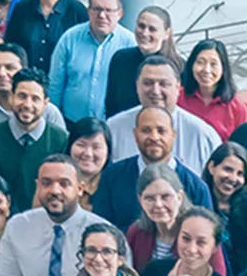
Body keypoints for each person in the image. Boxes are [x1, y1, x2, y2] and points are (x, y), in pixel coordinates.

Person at [95, 105, 211, 233]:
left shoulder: (195, 187)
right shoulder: (111, 177)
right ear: (135, 134)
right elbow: (100, 230)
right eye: (146, 130)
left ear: (173, 135)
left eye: (161, 131)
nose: (154, 137)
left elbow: (208, 240)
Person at [106, 54, 221, 174]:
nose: (155, 91)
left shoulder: (203, 135)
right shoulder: (113, 128)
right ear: (137, 86)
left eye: (164, 84)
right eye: (148, 83)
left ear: (178, 87)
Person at [0, 67, 68, 206]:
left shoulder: (61, 140)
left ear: (45, 103)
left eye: (35, 99)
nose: (27, 104)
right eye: (22, 96)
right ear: (12, 97)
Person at [48, 0, 134, 122]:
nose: (102, 15)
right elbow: (55, 87)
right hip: (72, 125)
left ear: (120, 14)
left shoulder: (130, 44)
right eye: (97, 9)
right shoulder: (69, 39)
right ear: (88, 11)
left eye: (108, 10)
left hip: (113, 126)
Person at [4, 0, 88, 76]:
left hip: (63, 83)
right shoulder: (22, 8)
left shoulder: (76, 10)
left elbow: (85, 51)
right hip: (27, 85)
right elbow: (11, 47)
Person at [105, 5, 182, 118]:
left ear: (166, 33)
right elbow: (111, 105)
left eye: (152, 29)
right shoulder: (120, 59)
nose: (145, 33)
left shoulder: (180, 67)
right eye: (141, 26)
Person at [177, 39, 247, 140]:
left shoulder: (238, 107)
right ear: (191, 65)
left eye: (213, 64)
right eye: (200, 62)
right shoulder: (177, 98)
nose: (206, 70)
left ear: (223, 68)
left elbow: (244, 145)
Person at [66, 117, 111, 213]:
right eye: (81, 145)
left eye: (96, 147)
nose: (88, 154)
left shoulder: (116, 184)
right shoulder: (55, 179)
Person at [203, 142, 247, 230]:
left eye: (240, 174)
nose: (233, 178)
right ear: (211, 167)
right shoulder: (197, 200)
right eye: (227, 169)